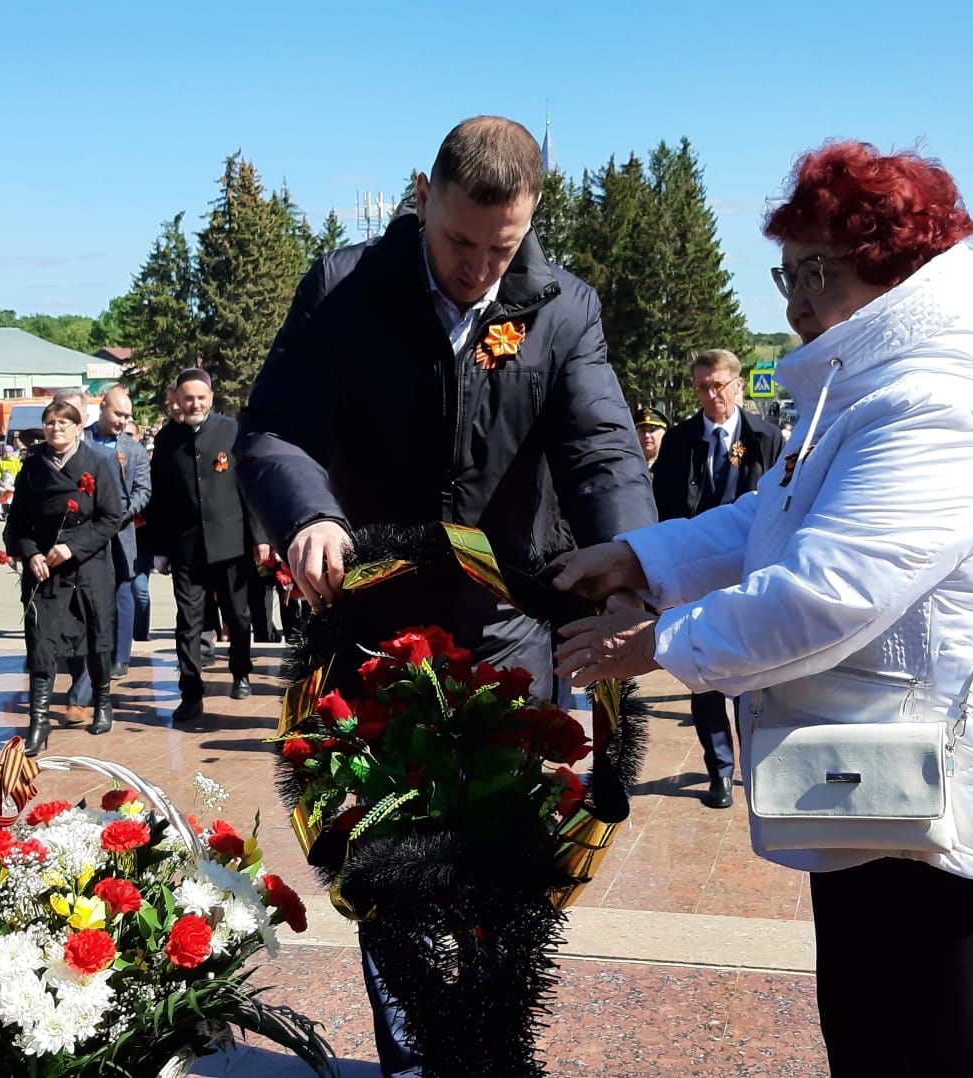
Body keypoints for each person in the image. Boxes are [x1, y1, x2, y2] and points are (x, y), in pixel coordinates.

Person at [553, 141, 973, 1078]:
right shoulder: (865, 388)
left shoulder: (935, 403)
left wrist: (660, 641)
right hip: (875, 797)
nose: (792, 299)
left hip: (956, 819)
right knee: (874, 1048)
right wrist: (641, 552)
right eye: (785, 270)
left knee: (964, 1055)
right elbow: (775, 515)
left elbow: (831, 591)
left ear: (893, 269)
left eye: (814, 271)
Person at [235, 115, 657, 1076]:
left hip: (507, 626)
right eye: (459, 242)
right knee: (388, 860)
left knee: (507, 859)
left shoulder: (562, 306)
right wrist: (310, 514)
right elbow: (274, 430)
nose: (476, 269)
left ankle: (491, 1044)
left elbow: (598, 448)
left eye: (500, 248)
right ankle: (413, 1057)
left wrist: (628, 563)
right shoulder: (344, 289)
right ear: (423, 198)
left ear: (531, 218)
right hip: (376, 621)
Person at [651, 348, 784, 808]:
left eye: (719, 386)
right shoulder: (681, 439)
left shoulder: (765, 437)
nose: (712, 396)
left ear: (739, 385)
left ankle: (755, 766)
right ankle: (720, 771)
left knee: (750, 672)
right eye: (702, 387)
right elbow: (664, 505)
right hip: (696, 572)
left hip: (751, 570)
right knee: (702, 669)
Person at [2, 400, 124, 755]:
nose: (56, 428)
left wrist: (73, 547)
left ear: (78, 425)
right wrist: (30, 553)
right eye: (50, 422)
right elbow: (18, 523)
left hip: (88, 566)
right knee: (40, 642)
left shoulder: (98, 463)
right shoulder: (33, 466)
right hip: (45, 570)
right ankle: (38, 721)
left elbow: (110, 517)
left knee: (98, 635)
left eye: (63, 423)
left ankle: (102, 701)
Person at [148, 369, 265, 722]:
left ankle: (241, 671)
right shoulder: (167, 440)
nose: (194, 403)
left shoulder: (231, 431)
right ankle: (191, 692)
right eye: (188, 398)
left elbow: (249, 488)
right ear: (178, 400)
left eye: (201, 397)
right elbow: (160, 499)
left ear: (211, 399)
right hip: (186, 549)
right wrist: (160, 547)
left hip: (230, 545)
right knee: (188, 622)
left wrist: (259, 538)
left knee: (239, 617)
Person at [86, 384, 152, 679]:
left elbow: (143, 491)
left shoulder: (134, 450)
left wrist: (119, 515)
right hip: (86, 530)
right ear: (102, 405)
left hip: (121, 531)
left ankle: (121, 656)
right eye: (118, 413)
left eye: (127, 416)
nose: (122, 421)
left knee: (124, 593)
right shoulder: (81, 440)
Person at [635, 406, 669, 471]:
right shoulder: (626, 465)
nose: (647, 435)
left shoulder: (673, 465)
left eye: (652, 430)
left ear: (664, 434)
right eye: (643, 431)